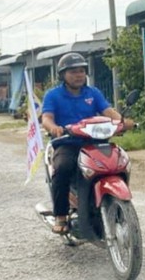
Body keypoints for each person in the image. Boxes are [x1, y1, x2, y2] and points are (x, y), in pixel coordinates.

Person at [41, 52, 134, 235]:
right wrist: (54, 128)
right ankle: (61, 215)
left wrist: (122, 122)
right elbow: (47, 117)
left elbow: (108, 111)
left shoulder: (93, 93)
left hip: (95, 142)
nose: (78, 75)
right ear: (63, 75)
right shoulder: (53, 95)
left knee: (119, 163)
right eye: (73, 71)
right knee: (62, 168)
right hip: (68, 143)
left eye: (82, 71)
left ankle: (114, 204)